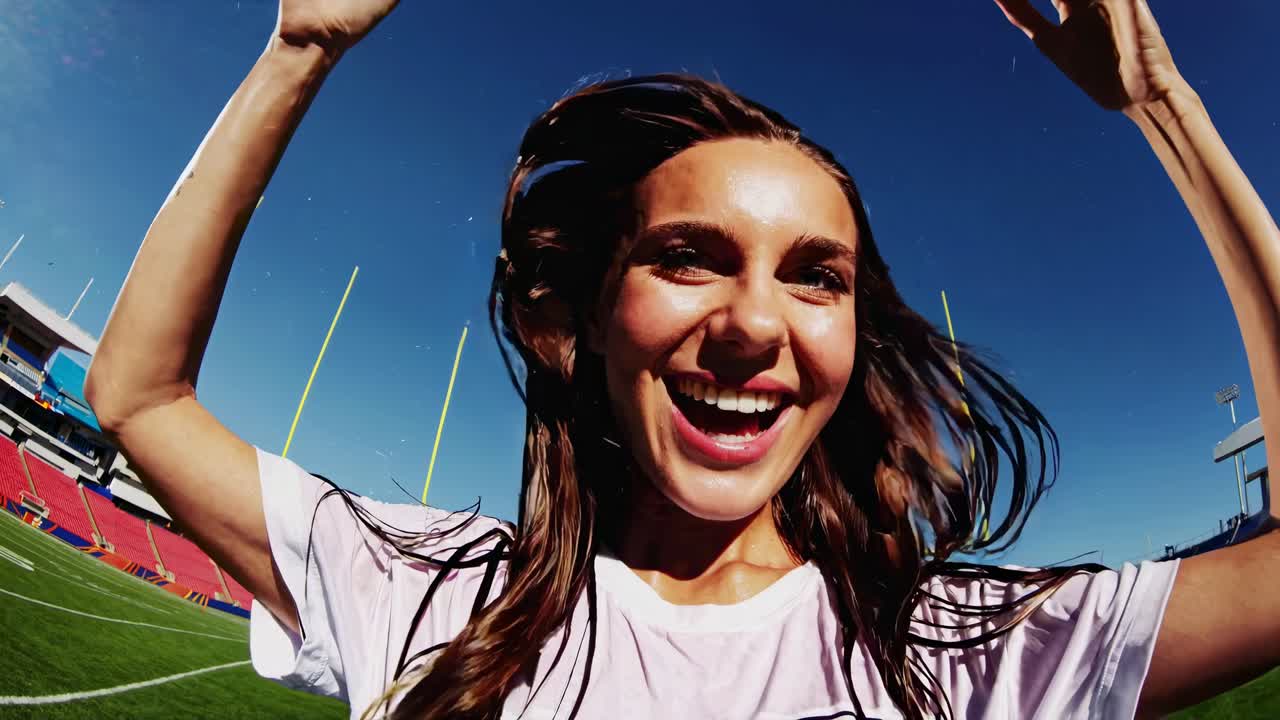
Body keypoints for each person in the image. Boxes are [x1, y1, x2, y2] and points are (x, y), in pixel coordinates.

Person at [85, 0, 1280, 718]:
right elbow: (137, 395)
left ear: (851, 342)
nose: (753, 324)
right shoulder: (436, 596)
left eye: (814, 276)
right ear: (586, 317)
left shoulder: (951, 652)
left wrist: (1163, 107)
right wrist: (296, 49)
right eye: (688, 258)